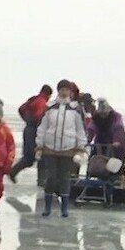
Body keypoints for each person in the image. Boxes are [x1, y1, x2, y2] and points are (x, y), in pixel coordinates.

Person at [36, 80, 87, 217]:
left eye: (66, 90)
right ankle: (47, 207)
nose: (64, 92)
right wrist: (39, 146)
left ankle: (64, 208)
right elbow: (42, 127)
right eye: (62, 89)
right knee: (51, 178)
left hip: (68, 149)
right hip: (50, 149)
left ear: (70, 92)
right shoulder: (49, 107)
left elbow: (81, 129)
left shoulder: (76, 109)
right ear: (58, 91)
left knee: (65, 178)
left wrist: (80, 148)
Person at [9, 84, 53, 184]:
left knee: (28, 157)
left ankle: (13, 171)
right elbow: (39, 117)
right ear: (49, 94)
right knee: (39, 155)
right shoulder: (42, 102)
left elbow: (21, 109)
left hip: (28, 129)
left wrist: (27, 120)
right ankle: (41, 180)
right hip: (34, 132)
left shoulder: (34, 99)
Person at [85, 97, 125, 168]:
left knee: (117, 161)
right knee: (94, 160)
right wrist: (87, 140)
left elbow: (118, 128)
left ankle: (119, 174)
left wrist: (116, 140)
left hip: (115, 142)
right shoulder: (96, 117)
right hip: (100, 142)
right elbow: (91, 128)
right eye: (101, 114)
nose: (103, 115)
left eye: (105, 114)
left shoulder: (115, 117)